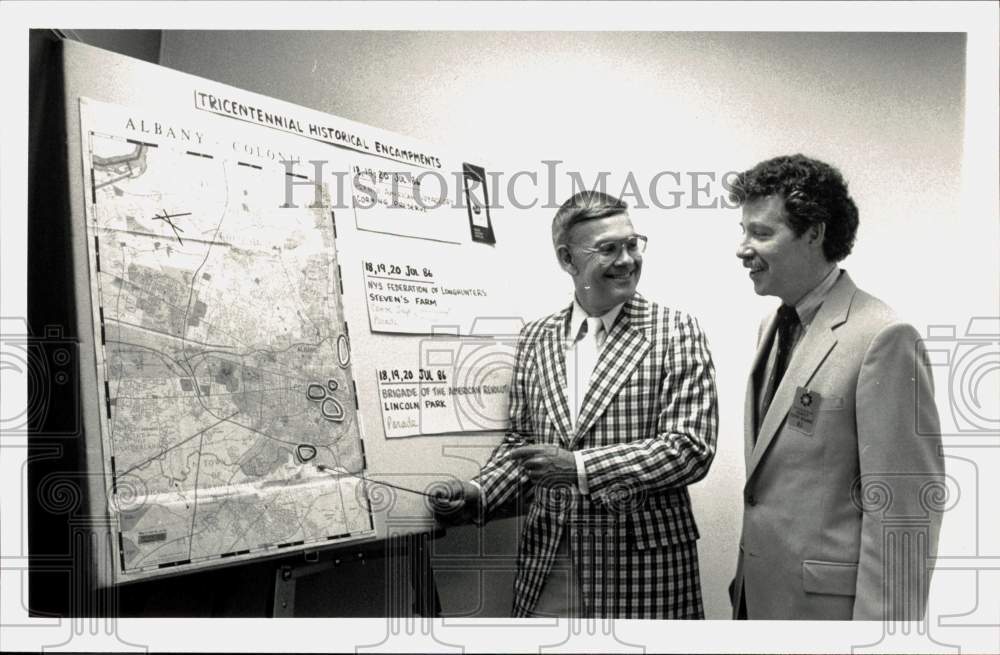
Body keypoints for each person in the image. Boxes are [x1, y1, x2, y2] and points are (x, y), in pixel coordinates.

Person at [432, 190, 718, 618]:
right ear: (568, 260)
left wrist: (580, 467)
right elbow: (522, 442)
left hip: (642, 570)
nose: (627, 259)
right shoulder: (536, 337)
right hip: (549, 563)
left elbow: (689, 449)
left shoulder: (676, 330)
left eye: (632, 243)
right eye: (608, 248)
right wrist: (477, 492)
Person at [729, 154, 945, 620]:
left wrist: (884, 641)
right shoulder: (773, 324)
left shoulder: (882, 337)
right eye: (743, 231)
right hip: (760, 602)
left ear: (814, 233)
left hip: (829, 620)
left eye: (761, 233)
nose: (743, 248)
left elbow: (905, 513)